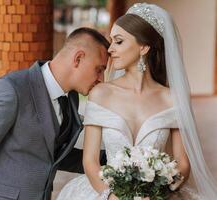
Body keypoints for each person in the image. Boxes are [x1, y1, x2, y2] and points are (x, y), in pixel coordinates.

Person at [57, 3, 217, 200]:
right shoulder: (101, 93)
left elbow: (182, 163)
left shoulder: (172, 99)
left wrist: (157, 193)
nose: (110, 49)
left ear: (144, 47)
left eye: (118, 41)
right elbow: (90, 162)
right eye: (111, 41)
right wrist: (113, 197)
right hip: (107, 193)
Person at [0, 27, 109, 200]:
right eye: (99, 69)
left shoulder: (69, 98)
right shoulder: (10, 91)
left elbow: (53, 155)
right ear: (78, 58)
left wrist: (111, 157)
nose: (101, 79)